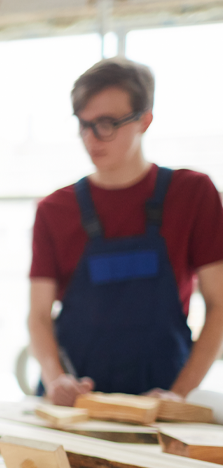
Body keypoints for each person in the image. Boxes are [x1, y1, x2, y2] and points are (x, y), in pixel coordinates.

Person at [28, 57, 223, 407]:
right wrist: (56, 379)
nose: (91, 137)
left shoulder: (193, 194)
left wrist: (179, 394)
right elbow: (38, 316)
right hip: (78, 407)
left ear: (145, 120)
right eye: (83, 124)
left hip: (162, 402)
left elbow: (219, 305)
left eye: (107, 123)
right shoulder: (54, 210)